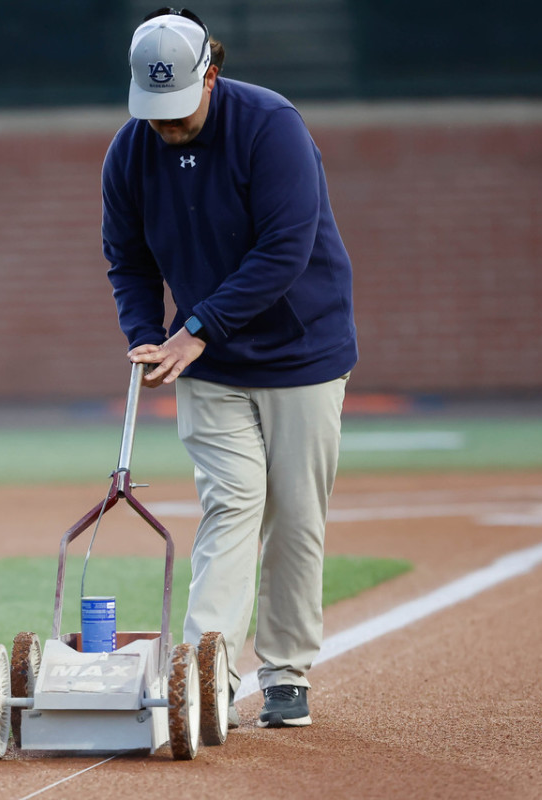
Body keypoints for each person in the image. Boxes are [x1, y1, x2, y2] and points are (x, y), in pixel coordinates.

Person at [101, 8, 357, 728]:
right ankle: (208, 669)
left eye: (178, 109)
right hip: (205, 362)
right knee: (232, 502)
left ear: (210, 73)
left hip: (302, 351)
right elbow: (128, 257)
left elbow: (285, 246)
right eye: (153, 112)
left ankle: (286, 671)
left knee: (298, 516)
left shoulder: (271, 126)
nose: (166, 125)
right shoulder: (130, 151)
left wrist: (199, 327)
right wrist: (147, 334)